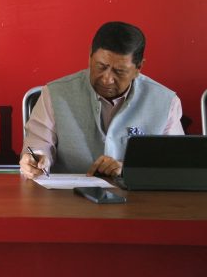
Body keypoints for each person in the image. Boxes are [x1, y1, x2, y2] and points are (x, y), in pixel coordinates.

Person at [20, 22, 183, 179]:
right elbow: (38, 144)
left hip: (136, 196)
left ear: (139, 67)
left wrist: (128, 169)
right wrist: (36, 158)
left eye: (119, 71)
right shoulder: (55, 93)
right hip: (67, 195)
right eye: (101, 66)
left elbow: (176, 164)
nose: (107, 79)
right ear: (90, 56)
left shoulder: (166, 102)